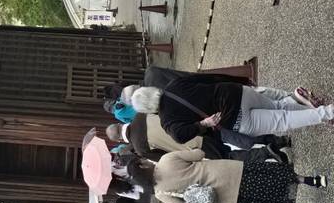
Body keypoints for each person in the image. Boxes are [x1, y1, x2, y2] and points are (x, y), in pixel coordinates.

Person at [127, 151, 327, 203]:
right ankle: (312, 181)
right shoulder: (166, 160)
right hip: (228, 170)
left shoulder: (160, 192)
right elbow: (199, 153)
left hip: (226, 196)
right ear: (143, 166)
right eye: (142, 162)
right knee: (272, 176)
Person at [130, 74, 334, 143]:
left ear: (147, 110)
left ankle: (327, 112)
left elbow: (179, 136)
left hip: (234, 118)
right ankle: (305, 103)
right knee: (279, 106)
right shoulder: (174, 85)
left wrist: (203, 124)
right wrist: (240, 81)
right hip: (237, 93)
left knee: (283, 121)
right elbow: (209, 78)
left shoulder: (166, 120)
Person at [105, 115, 289, 164]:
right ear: (120, 124)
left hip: (194, 147)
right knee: (237, 136)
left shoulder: (139, 148)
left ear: (120, 141)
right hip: (197, 126)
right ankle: (278, 140)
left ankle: (267, 152)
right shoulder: (140, 115)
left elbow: (166, 159)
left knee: (230, 157)